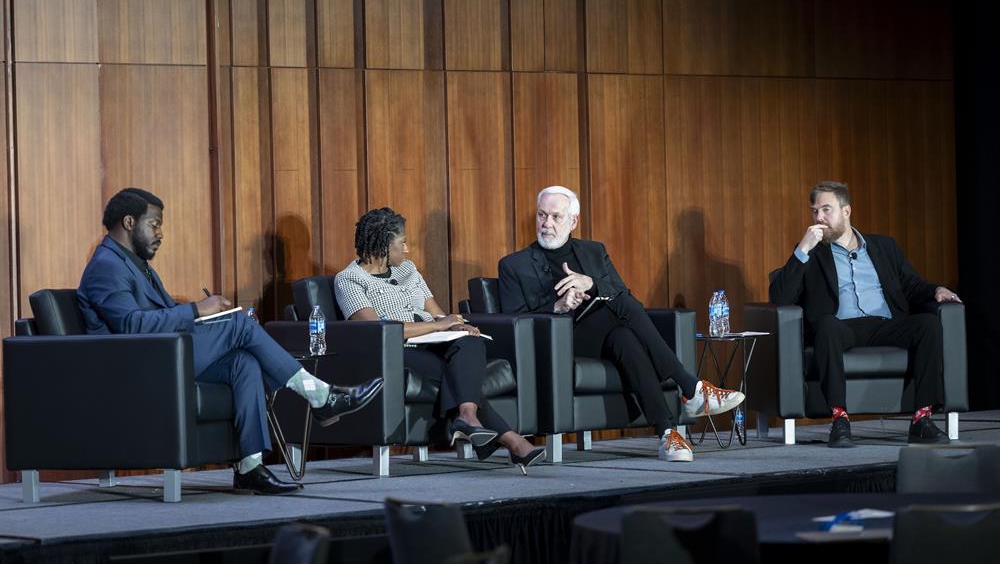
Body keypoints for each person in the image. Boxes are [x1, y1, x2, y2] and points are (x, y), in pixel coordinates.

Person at [78, 188, 384, 494]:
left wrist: (203, 316)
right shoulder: (107, 265)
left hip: (162, 355)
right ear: (129, 222)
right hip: (135, 367)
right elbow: (130, 326)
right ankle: (319, 395)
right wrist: (196, 310)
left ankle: (250, 466)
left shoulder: (134, 263)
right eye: (154, 224)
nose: (160, 233)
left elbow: (158, 316)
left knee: (243, 362)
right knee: (238, 323)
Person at [498, 186, 744, 462]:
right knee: (622, 309)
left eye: (556, 217)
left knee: (624, 335)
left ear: (573, 221)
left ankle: (667, 433)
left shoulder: (594, 251)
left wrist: (591, 284)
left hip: (604, 333)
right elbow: (514, 321)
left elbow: (623, 294)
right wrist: (558, 307)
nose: (547, 223)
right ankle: (690, 387)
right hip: (559, 343)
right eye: (542, 215)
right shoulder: (513, 265)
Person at [335, 208, 545, 474]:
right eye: (402, 243)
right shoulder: (349, 279)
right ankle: (511, 440)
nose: (407, 249)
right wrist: (438, 325)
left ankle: (468, 417)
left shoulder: (408, 270)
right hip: (396, 350)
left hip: (434, 341)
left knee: (471, 341)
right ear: (384, 245)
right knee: (455, 374)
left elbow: (436, 312)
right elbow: (375, 329)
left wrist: (456, 325)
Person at [769, 181, 959, 447]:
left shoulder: (884, 247)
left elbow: (912, 286)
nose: (819, 217)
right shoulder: (812, 253)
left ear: (846, 211)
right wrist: (802, 249)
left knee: (928, 324)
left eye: (826, 210)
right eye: (814, 211)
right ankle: (840, 420)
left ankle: (922, 419)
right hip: (842, 328)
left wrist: (936, 289)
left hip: (885, 324)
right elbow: (779, 297)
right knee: (827, 325)